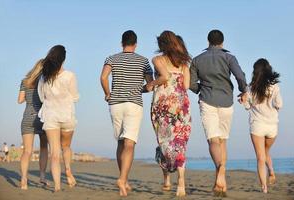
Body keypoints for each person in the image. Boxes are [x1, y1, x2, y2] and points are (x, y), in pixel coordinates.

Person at [189, 30, 247, 196]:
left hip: (207, 101)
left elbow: (192, 84)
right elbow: (240, 77)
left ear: (208, 41)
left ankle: (221, 169)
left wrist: (203, 89)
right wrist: (243, 91)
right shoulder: (229, 57)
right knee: (222, 141)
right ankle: (221, 181)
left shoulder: (197, 60)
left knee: (213, 140)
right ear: (223, 42)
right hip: (227, 102)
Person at [100, 30, 153, 196]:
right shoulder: (143, 61)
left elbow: (103, 77)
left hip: (115, 104)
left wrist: (108, 93)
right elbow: (150, 85)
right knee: (130, 144)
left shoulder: (112, 58)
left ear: (121, 43)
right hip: (133, 104)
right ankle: (122, 179)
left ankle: (124, 179)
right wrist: (140, 89)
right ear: (136, 44)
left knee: (121, 143)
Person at [146, 31, 191, 197]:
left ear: (162, 44)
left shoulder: (157, 60)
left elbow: (164, 77)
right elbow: (185, 85)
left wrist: (151, 83)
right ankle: (181, 181)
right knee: (179, 143)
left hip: (162, 105)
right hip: (181, 105)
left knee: (164, 142)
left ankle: (166, 177)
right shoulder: (184, 63)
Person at [38, 45, 79, 192]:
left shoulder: (44, 77)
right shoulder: (70, 76)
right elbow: (75, 97)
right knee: (66, 147)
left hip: (50, 116)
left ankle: (56, 186)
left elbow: (42, 97)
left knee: (54, 153)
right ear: (64, 59)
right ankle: (68, 170)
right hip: (67, 115)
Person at [240, 58, 282, 193]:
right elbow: (279, 105)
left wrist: (244, 101)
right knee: (266, 152)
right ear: (268, 70)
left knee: (260, 156)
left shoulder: (250, 88)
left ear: (255, 72)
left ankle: (264, 187)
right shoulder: (274, 86)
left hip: (257, 125)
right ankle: (271, 171)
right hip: (272, 126)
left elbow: (247, 107)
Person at [18, 59, 49, 189]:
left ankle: (24, 179)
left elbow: (19, 100)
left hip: (27, 117)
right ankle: (42, 177)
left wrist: (29, 96)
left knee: (27, 151)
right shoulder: (46, 81)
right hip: (42, 117)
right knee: (43, 148)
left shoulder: (25, 81)